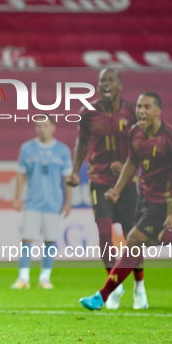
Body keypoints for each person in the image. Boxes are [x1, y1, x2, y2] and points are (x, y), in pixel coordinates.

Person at [79, 92, 172, 310]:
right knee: (147, 239)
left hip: (162, 200)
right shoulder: (135, 131)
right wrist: (117, 189)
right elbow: (131, 161)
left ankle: (102, 296)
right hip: (142, 196)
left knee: (134, 241)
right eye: (138, 107)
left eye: (146, 107)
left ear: (157, 111)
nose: (141, 111)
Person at [68, 68, 143, 309]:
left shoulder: (133, 112)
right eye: (102, 81)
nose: (106, 84)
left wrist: (128, 167)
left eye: (111, 80)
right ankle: (115, 283)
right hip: (99, 178)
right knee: (103, 233)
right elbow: (82, 143)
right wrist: (75, 169)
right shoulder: (87, 113)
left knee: (133, 236)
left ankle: (139, 287)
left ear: (120, 85)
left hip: (127, 182)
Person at [11, 117, 72, 289]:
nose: (42, 129)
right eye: (38, 126)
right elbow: (21, 175)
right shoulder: (27, 149)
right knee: (27, 239)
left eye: (45, 126)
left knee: (50, 241)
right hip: (32, 202)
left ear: (53, 127)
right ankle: (23, 278)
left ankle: (45, 278)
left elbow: (68, 178)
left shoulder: (62, 150)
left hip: (53, 203)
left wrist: (68, 203)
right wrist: (17, 198)